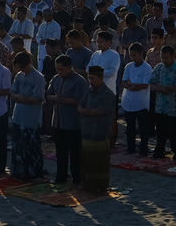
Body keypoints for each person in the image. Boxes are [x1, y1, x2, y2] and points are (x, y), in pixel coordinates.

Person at [45, 55, 86, 185]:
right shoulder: (56, 79)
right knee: (60, 153)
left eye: (61, 69)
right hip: (57, 122)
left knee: (75, 155)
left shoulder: (79, 81)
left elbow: (81, 100)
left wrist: (62, 99)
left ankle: (77, 178)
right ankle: (61, 177)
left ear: (69, 68)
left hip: (73, 124)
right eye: (57, 69)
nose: (59, 72)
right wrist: (54, 98)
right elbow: (48, 95)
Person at [8, 51, 45, 179]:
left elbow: (37, 98)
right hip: (18, 116)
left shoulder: (38, 77)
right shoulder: (19, 76)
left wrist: (21, 98)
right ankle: (19, 171)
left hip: (31, 118)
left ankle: (34, 173)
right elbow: (12, 93)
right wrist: (22, 98)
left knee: (32, 148)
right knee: (17, 146)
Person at [78, 65, 114, 194]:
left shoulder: (108, 94)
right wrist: (87, 111)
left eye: (92, 78)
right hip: (87, 130)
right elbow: (80, 106)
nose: (90, 81)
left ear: (100, 78)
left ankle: (100, 185)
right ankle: (87, 183)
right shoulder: (88, 91)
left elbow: (98, 111)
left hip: (100, 131)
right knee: (87, 159)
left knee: (99, 160)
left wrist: (86, 111)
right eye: (89, 78)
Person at [149, 46, 176, 160]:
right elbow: (150, 84)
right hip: (160, 106)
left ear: (173, 56)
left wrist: (161, 88)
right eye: (162, 57)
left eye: (166, 58)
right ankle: (160, 150)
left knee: (175, 133)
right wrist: (163, 89)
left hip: (174, 107)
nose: (164, 60)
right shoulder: (159, 67)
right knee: (160, 131)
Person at [120, 42, 153, 155]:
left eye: (134, 55)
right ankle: (130, 148)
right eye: (131, 55)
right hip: (129, 101)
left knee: (143, 129)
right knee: (130, 128)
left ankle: (143, 150)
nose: (132, 57)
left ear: (141, 54)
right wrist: (130, 86)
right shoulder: (128, 66)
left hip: (141, 103)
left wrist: (133, 86)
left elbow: (145, 84)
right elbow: (124, 81)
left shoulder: (147, 68)